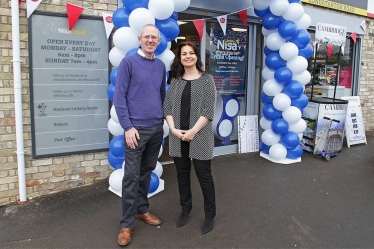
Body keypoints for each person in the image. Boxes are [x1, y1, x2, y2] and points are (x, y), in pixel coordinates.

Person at [113, 24, 166, 246]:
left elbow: (161, 94)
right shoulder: (128, 63)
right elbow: (119, 97)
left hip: (155, 129)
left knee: (145, 173)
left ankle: (142, 210)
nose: (151, 40)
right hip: (135, 131)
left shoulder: (161, 65)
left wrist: (161, 120)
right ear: (139, 39)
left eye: (154, 37)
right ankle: (126, 224)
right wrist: (127, 127)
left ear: (158, 41)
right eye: (147, 37)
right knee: (131, 177)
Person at [163, 42, 217, 234]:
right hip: (177, 136)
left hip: (199, 135)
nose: (187, 56)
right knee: (182, 175)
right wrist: (173, 129)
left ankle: (210, 215)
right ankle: (186, 210)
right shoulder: (176, 81)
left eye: (191, 53)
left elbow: (208, 110)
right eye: (184, 54)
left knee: (204, 176)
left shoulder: (207, 80)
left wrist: (193, 131)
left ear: (196, 57)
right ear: (180, 58)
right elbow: (167, 107)